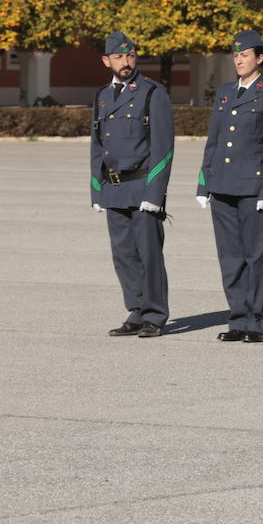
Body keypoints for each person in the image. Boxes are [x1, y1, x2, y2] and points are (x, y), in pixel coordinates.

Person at [196, 30, 263, 343]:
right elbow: (214, 141)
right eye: (235, 55)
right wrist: (203, 182)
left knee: (256, 257)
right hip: (222, 186)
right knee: (230, 257)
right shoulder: (225, 93)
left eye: (245, 55)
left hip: (252, 188)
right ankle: (238, 319)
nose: (239, 60)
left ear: (259, 59)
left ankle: (258, 322)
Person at [91, 31, 174, 338]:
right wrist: (97, 189)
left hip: (142, 187)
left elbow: (163, 148)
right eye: (118, 57)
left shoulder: (152, 93)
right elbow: (97, 146)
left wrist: (156, 193)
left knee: (149, 253)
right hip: (114, 187)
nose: (125, 62)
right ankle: (136, 310)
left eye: (130, 56)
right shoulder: (102, 96)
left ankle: (155, 313)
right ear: (106, 61)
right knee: (123, 253)